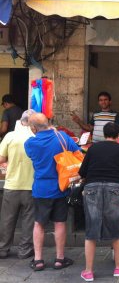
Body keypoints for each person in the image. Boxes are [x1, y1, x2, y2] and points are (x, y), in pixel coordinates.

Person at [24, 113, 80, 271]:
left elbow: (33, 157)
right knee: (60, 223)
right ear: (48, 123)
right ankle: (59, 259)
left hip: (41, 189)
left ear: (33, 128)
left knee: (39, 223)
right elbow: (78, 154)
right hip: (61, 187)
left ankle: (38, 260)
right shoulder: (61, 137)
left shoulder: (30, 143)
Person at [79, 122, 119, 281]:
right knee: (116, 227)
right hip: (114, 188)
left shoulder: (93, 148)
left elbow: (82, 171)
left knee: (91, 229)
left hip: (92, 188)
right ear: (118, 135)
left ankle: (88, 271)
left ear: (104, 134)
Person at [0, 110, 36, 259]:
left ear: (21, 121)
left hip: (11, 185)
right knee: (28, 220)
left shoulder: (10, 136)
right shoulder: (36, 138)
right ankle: (24, 250)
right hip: (31, 186)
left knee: (7, 219)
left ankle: (3, 249)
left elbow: (1, 158)